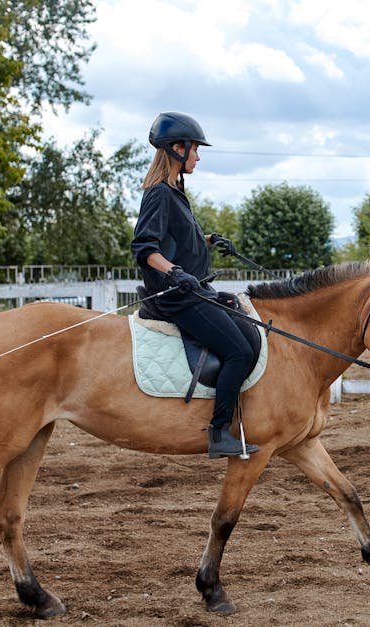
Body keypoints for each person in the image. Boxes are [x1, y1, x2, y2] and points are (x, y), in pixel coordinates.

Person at [131, 111, 258, 459]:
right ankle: (218, 433)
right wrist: (173, 273)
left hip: (194, 289)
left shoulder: (175, 193)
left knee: (249, 334)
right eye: (195, 150)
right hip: (177, 297)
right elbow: (145, 248)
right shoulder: (158, 193)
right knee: (239, 352)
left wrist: (210, 239)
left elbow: (179, 240)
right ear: (176, 148)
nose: (198, 156)